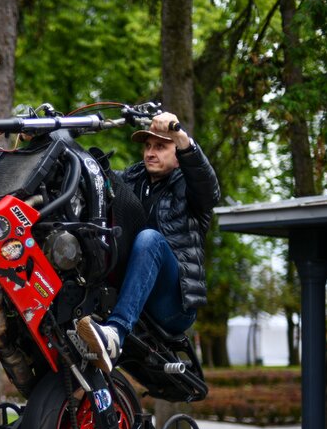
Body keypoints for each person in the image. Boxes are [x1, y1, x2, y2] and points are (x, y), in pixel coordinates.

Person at [77, 112, 220, 373]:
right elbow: (95, 180)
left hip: (173, 304)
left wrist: (180, 136)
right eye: (148, 146)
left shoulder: (190, 186)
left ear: (178, 154)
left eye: (161, 147)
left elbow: (209, 188)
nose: (151, 153)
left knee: (150, 238)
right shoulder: (133, 179)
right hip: (129, 293)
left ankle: (115, 334)